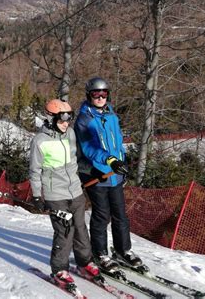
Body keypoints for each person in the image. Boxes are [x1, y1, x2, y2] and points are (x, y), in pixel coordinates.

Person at [29, 99, 100, 287]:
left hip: (75, 190)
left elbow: (76, 161)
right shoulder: (39, 141)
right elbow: (35, 171)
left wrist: (94, 171)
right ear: (50, 118)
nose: (66, 123)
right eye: (62, 120)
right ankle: (59, 269)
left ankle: (85, 263)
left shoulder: (70, 134)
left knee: (80, 228)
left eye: (69, 119)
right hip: (56, 194)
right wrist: (37, 195)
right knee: (64, 232)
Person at [74, 77, 142, 271]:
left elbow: (117, 143)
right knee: (102, 215)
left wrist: (123, 160)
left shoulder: (111, 116)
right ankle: (100, 253)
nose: (100, 97)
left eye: (104, 93)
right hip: (96, 173)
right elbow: (89, 148)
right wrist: (110, 160)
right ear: (89, 95)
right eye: (96, 94)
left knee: (120, 214)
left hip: (114, 174)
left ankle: (123, 251)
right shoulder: (84, 119)